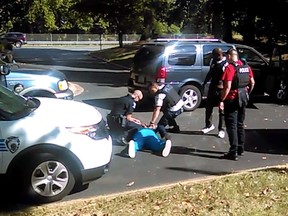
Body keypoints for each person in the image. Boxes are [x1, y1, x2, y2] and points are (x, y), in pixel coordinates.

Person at [219, 48, 255, 160]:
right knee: (240, 123)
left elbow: (227, 87)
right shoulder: (245, 67)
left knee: (232, 126)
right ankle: (241, 148)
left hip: (232, 99)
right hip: (243, 98)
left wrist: (221, 100)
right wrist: (247, 92)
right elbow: (252, 82)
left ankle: (233, 151)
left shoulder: (230, 68)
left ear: (229, 56)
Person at [201, 47, 228, 138]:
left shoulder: (225, 64)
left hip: (221, 89)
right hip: (212, 87)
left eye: (214, 55)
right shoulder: (213, 61)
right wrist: (204, 83)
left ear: (219, 55)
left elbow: (228, 78)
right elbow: (210, 73)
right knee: (208, 107)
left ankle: (221, 129)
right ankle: (208, 125)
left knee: (221, 109)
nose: (212, 57)